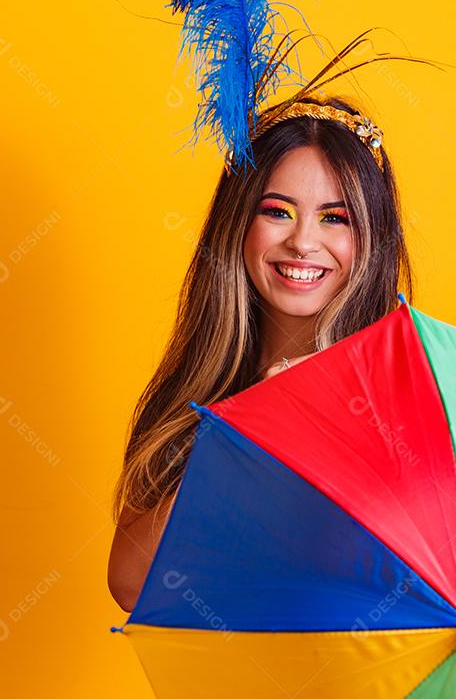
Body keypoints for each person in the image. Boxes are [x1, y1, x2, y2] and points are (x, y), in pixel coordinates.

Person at [107, 93, 415, 611]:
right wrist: (251, 433)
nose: (303, 242)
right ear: (238, 224)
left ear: (371, 240)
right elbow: (133, 583)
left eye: (335, 218)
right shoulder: (201, 398)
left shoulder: (405, 402)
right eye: (278, 211)